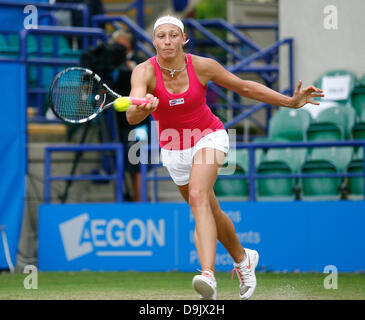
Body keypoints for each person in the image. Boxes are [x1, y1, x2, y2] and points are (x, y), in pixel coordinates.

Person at [126, 16, 324, 300]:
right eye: (161, 36)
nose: (167, 41)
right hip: (172, 150)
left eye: (173, 35)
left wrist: (289, 101)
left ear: (184, 39)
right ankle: (244, 260)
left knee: (198, 196)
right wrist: (144, 108)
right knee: (211, 211)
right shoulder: (143, 72)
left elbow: (245, 87)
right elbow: (131, 116)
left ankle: (207, 275)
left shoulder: (203, 66)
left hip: (209, 135)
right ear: (154, 41)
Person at [112, 29, 149, 202]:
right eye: (116, 43)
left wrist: (129, 68)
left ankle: (141, 200)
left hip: (139, 124)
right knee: (123, 162)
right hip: (118, 122)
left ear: (130, 44)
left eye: (122, 42)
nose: (119, 46)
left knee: (138, 161)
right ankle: (130, 198)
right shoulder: (112, 63)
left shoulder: (141, 63)